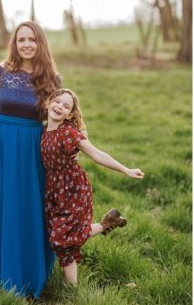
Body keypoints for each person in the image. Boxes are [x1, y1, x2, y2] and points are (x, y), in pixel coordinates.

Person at [0, 20, 59, 298]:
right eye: (21, 39)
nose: (26, 44)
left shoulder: (51, 79)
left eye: (32, 39)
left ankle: (32, 272)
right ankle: (5, 272)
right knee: (4, 205)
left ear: (40, 43)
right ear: (15, 43)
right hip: (0, 144)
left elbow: (59, 117)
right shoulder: (2, 71)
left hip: (32, 147)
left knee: (29, 206)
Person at [41, 87, 144, 285]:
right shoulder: (42, 130)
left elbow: (97, 155)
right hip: (53, 191)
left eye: (66, 106)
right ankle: (73, 289)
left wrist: (126, 170)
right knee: (62, 242)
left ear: (70, 114)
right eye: (57, 101)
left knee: (60, 240)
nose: (59, 107)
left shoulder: (69, 133)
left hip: (73, 189)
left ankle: (105, 225)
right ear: (48, 103)